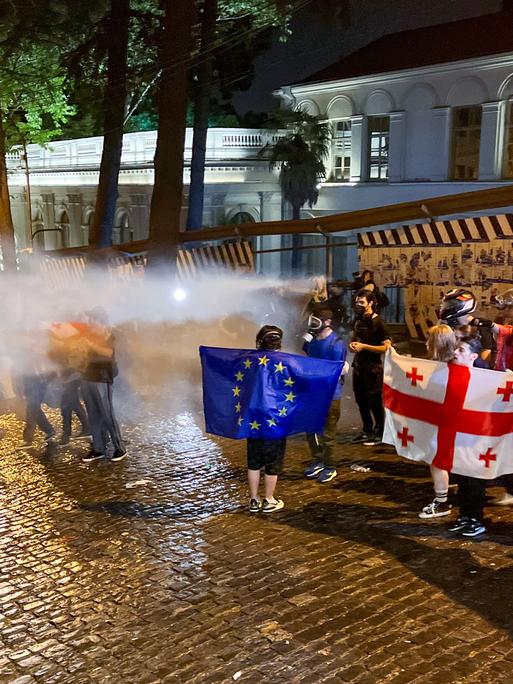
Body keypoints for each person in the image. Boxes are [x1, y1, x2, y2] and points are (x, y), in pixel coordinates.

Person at [447, 336, 487, 537]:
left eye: (460, 350)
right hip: (458, 438)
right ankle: (464, 515)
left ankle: (476, 519)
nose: (455, 352)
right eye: (456, 349)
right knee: (461, 480)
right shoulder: (450, 374)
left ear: (473, 356)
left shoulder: (485, 378)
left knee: (474, 482)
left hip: (477, 440)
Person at [303, 308, 348, 483]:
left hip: (330, 395)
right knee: (311, 430)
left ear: (327, 322)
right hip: (312, 394)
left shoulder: (336, 344)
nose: (313, 325)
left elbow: (337, 369)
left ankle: (330, 466)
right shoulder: (312, 341)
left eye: (316, 321)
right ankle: (318, 460)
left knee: (327, 434)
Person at [418, 324, 456, 519]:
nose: (425, 344)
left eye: (429, 341)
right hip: (450, 422)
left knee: (437, 461)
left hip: (442, 422)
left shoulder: (440, 370)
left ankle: (442, 502)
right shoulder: (457, 365)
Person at [247, 325, 286, 513]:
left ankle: (253, 499)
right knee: (273, 460)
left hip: (254, 417)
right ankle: (269, 499)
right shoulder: (286, 362)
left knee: (254, 460)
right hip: (275, 418)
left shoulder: (251, 361)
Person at [80, 307, 126, 463]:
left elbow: (108, 353)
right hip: (87, 377)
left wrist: (90, 345)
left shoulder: (109, 334)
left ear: (99, 320)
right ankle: (98, 448)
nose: (89, 322)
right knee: (93, 415)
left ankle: (119, 448)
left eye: (92, 319)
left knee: (107, 415)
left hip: (102, 379)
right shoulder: (90, 334)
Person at [349, 290, 391, 446]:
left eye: (362, 302)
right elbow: (353, 340)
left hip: (373, 368)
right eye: (357, 302)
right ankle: (367, 430)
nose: (358, 305)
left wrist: (364, 347)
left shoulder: (379, 323)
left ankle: (380, 432)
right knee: (361, 400)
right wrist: (352, 345)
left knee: (374, 401)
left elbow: (386, 347)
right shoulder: (358, 321)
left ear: (371, 303)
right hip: (358, 366)